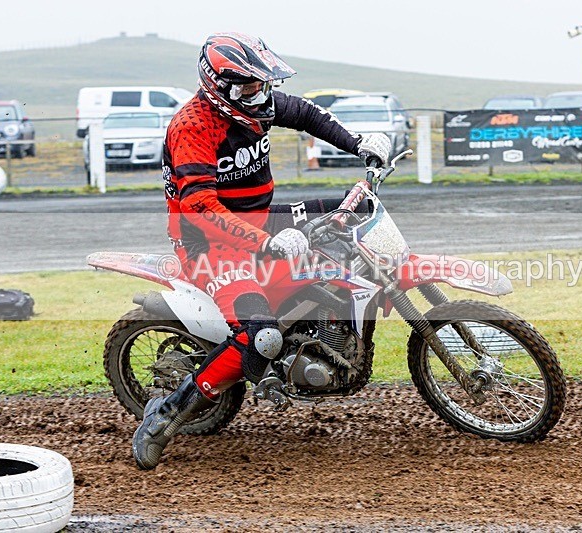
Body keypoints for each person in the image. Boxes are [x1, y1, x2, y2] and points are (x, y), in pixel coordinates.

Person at [132, 32, 390, 470]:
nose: (260, 93)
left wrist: (358, 141)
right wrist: (266, 243)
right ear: (218, 86)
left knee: (354, 210)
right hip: (209, 241)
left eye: (261, 83)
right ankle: (166, 414)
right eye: (249, 86)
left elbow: (307, 113)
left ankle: (318, 327)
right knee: (259, 336)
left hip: (259, 219)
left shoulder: (256, 101)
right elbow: (199, 204)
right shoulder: (193, 128)